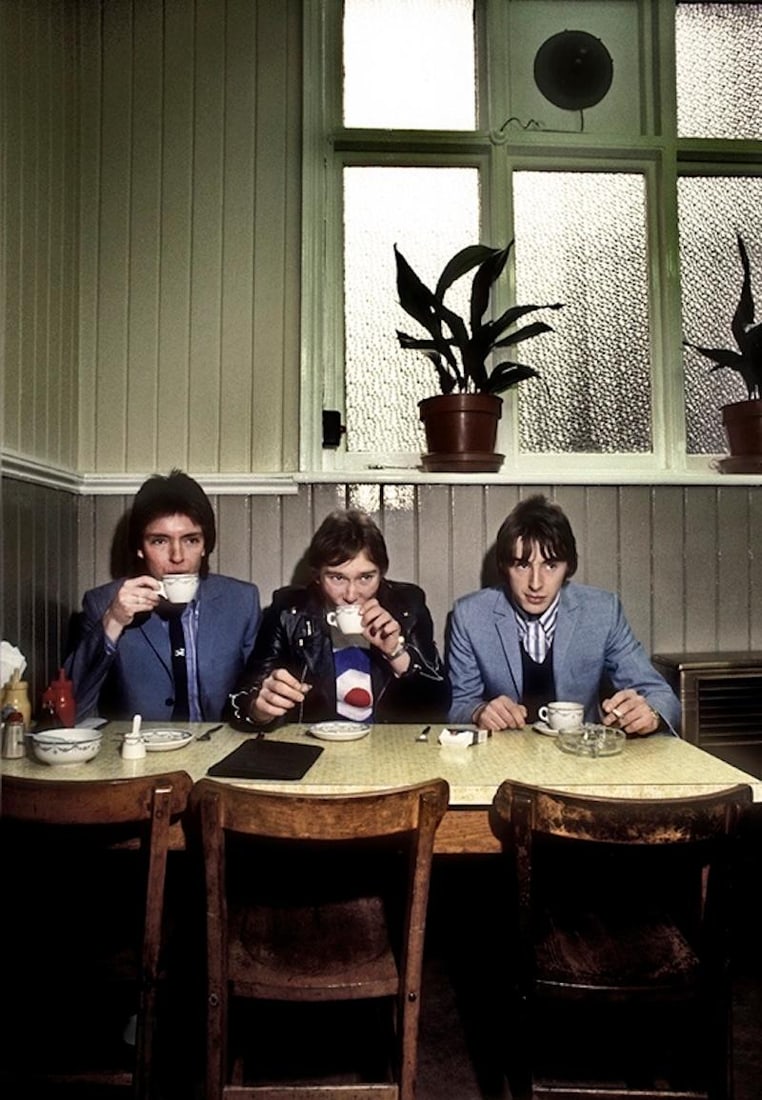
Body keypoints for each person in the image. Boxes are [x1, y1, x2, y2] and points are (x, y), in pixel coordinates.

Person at [447, 495, 680, 735]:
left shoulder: (602, 611)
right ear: (504, 568)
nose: (535, 584)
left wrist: (649, 713)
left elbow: (662, 697)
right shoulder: (470, 615)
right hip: (503, 756)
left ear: (568, 566)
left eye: (550, 565)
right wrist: (479, 711)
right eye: (522, 565)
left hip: (581, 758)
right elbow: (458, 705)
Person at [65, 469, 261, 722]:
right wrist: (113, 620)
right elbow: (69, 712)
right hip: (140, 752)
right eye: (159, 541)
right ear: (139, 548)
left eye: (191, 540)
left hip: (217, 747)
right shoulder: (103, 603)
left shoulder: (241, 601)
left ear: (205, 546)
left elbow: (255, 697)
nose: (177, 557)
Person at [230, 508, 449, 728]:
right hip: (315, 747)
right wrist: (259, 710)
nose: (351, 595)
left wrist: (396, 654)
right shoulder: (288, 611)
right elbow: (239, 701)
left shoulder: (406, 607)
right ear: (317, 576)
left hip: (388, 748)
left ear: (381, 574)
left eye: (366, 577)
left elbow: (438, 706)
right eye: (337, 578)